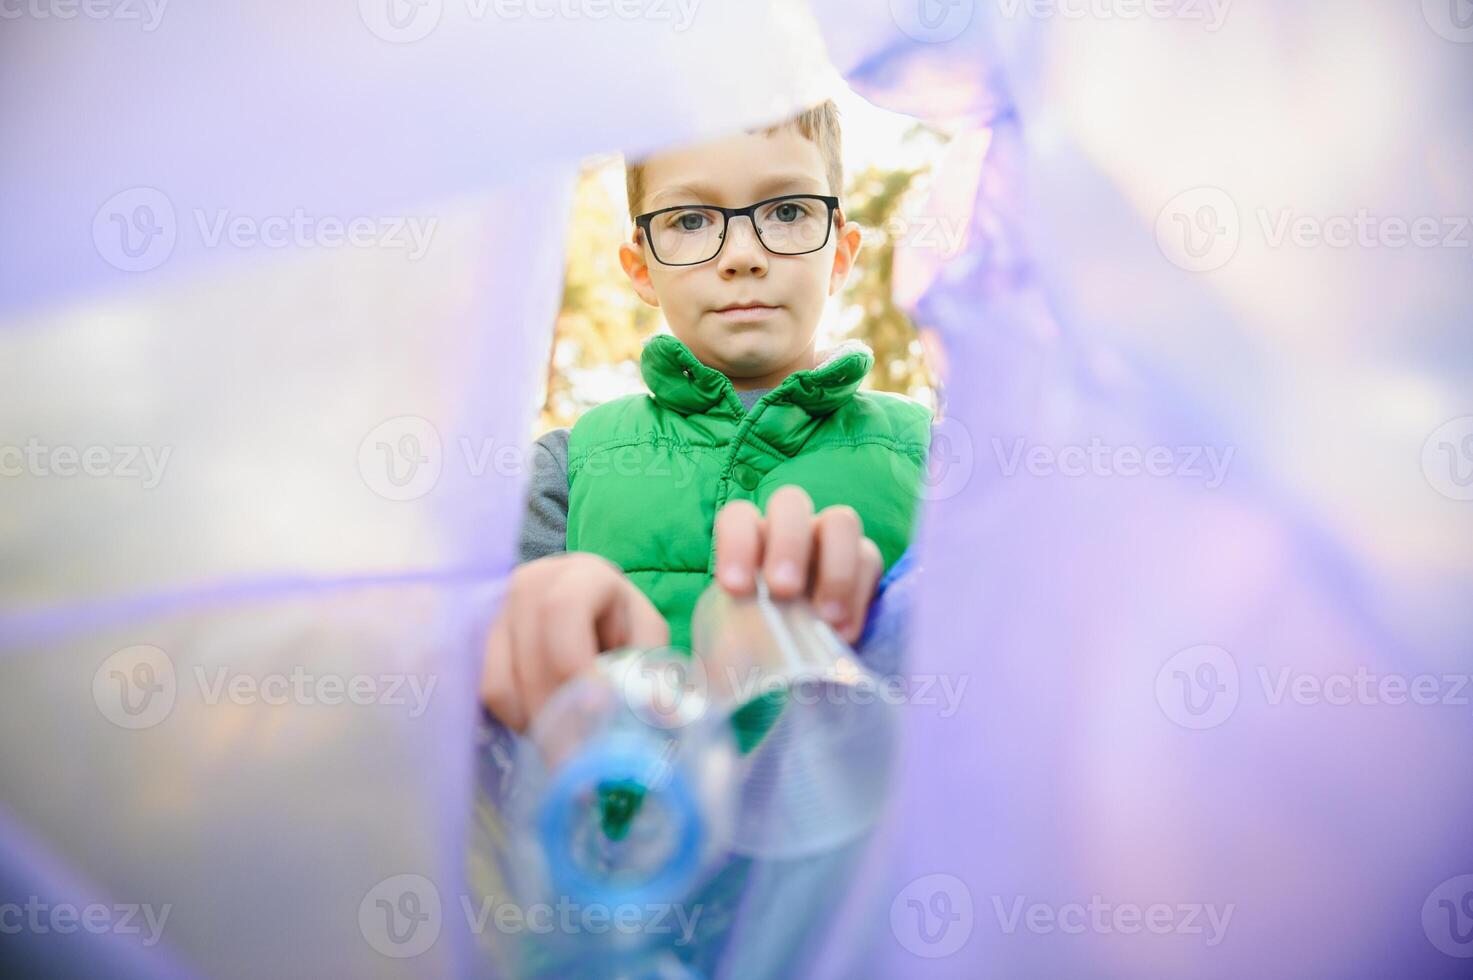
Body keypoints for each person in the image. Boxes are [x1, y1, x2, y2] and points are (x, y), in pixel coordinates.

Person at [480, 99, 932, 732]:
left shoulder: (936, 460)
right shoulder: (564, 469)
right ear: (641, 266)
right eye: (691, 220)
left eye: (788, 211)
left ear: (839, 255)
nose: (742, 255)